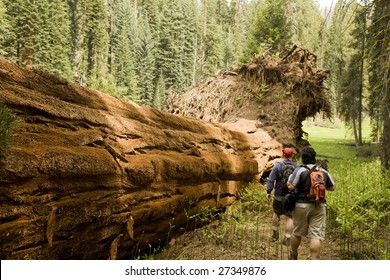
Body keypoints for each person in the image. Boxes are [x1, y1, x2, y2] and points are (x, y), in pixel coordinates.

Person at [287, 146, 336, 260]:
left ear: (303, 158)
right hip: (319, 206)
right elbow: (333, 187)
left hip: (301, 205)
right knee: (316, 235)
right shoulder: (322, 171)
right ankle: (313, 258)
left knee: (297, 232)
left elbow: (291, 186)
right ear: (314, 158)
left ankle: (293, 254)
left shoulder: (300, 170)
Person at [265, 147, 299, 246]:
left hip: (278, 195)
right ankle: (287, 238)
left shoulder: (277, 166)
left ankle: (275, 234)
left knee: (276, 213)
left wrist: (268, 191)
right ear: (292, 155)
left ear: (283, 154)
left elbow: (271, 180)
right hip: (291, 196)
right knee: (289, 217)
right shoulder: (297, 167)